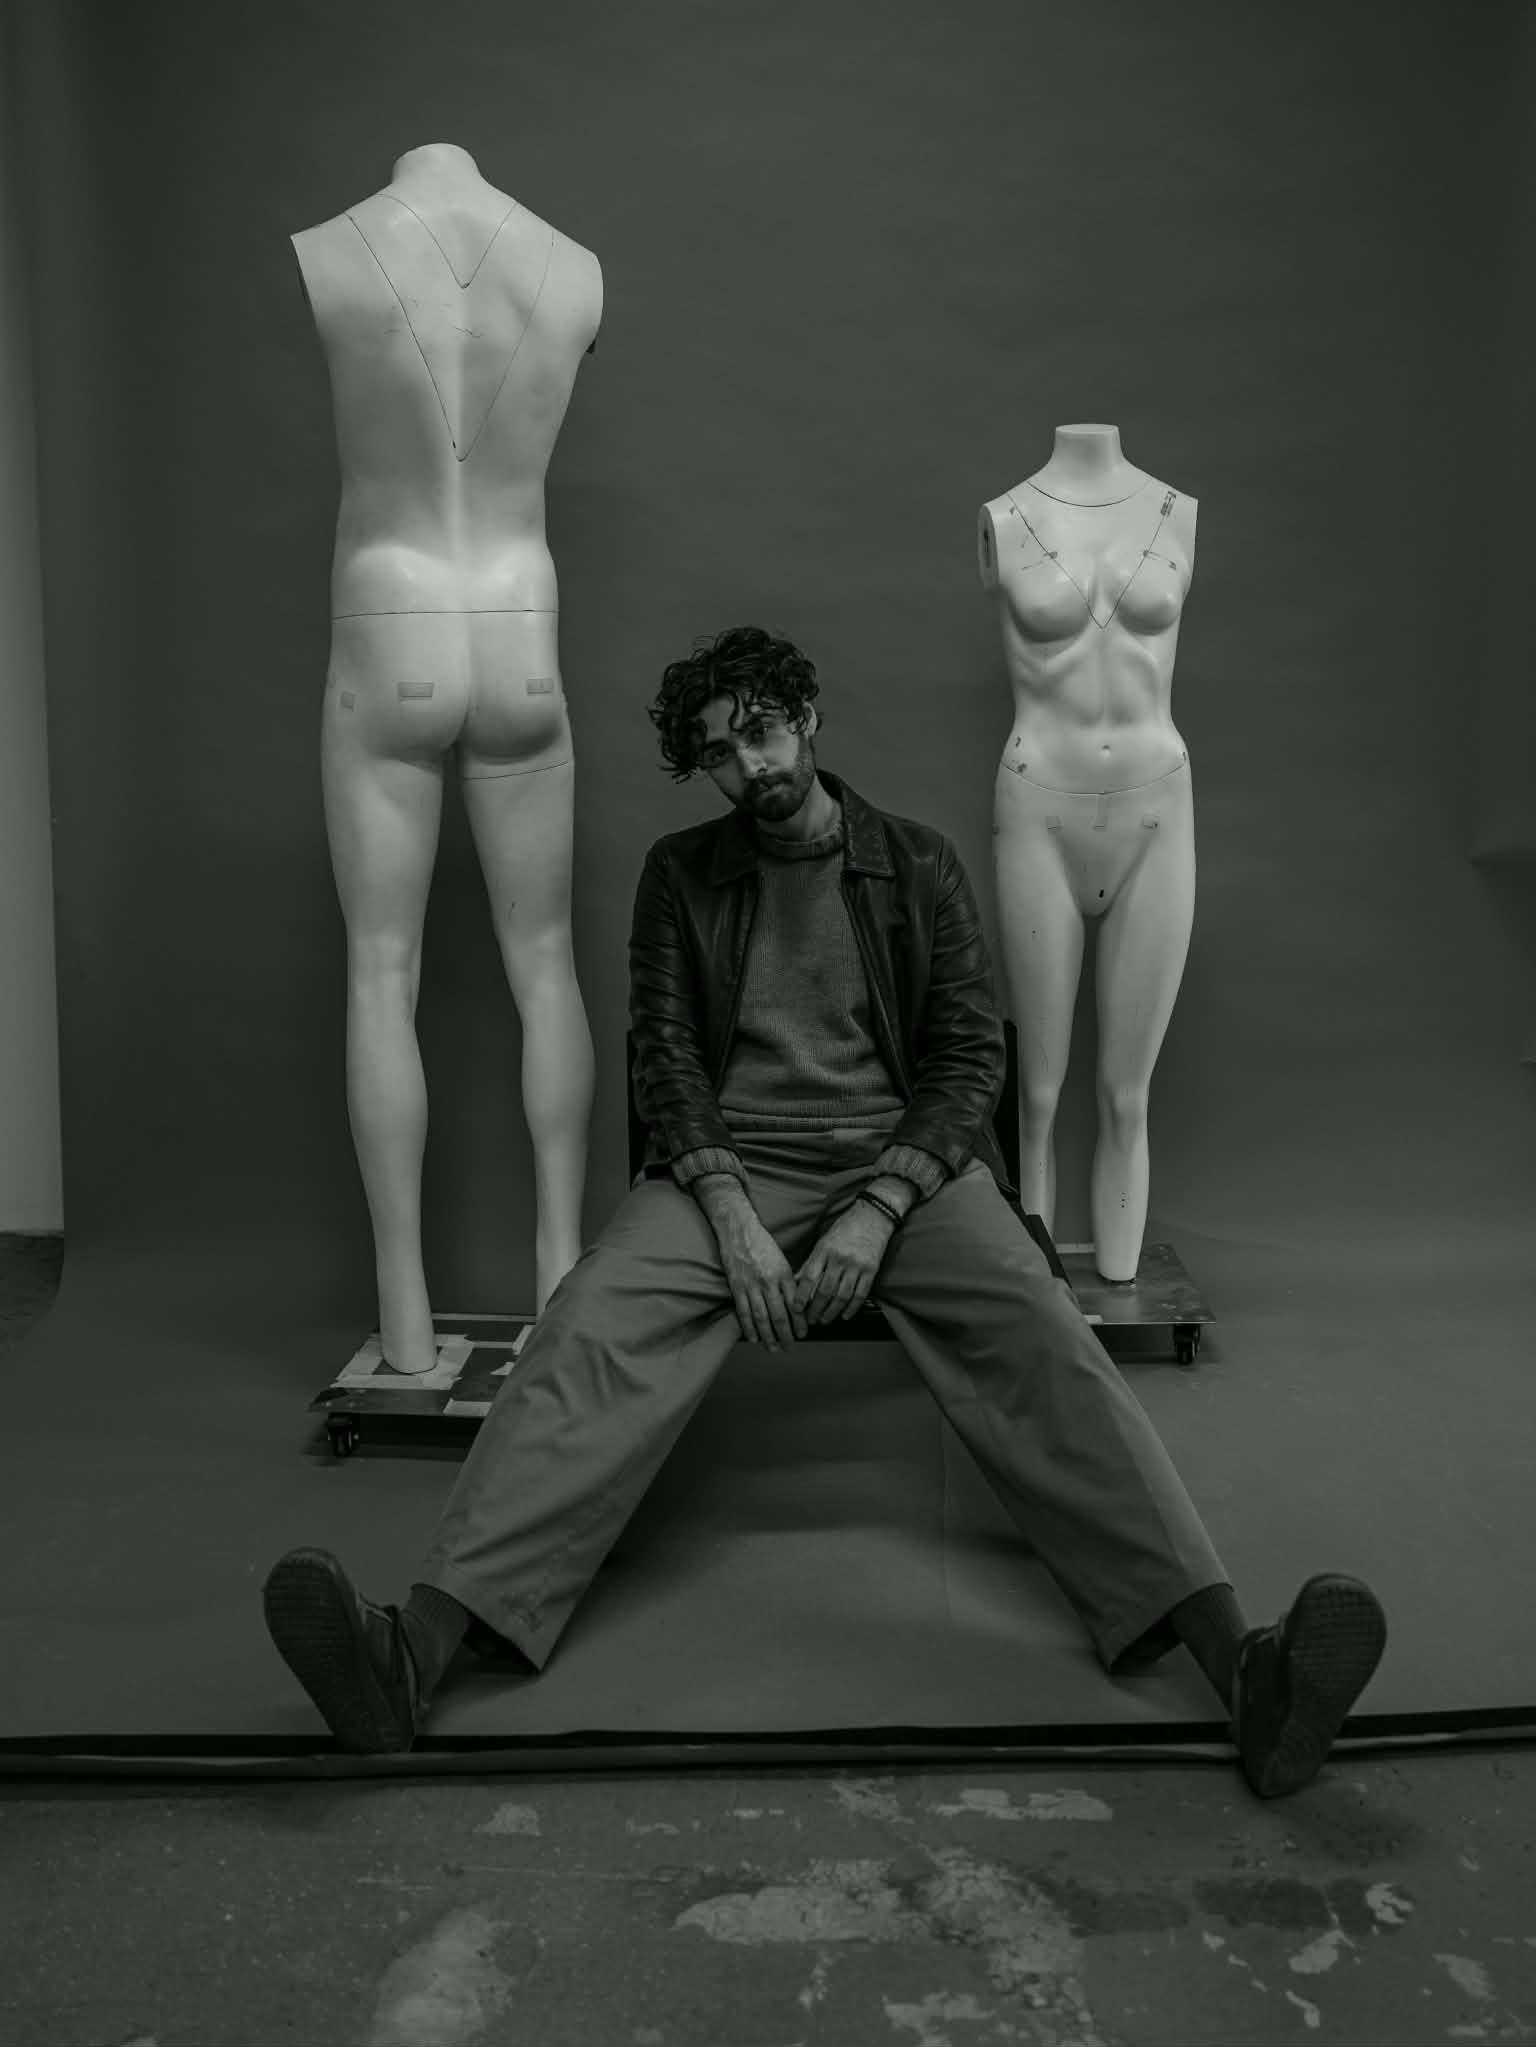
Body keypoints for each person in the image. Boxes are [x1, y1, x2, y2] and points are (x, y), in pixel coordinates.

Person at [264, 625, 1386, 1797]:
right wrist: (731, 1214)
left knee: (1047, 1336)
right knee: (584, 1328)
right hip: (728, 1167)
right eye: (718, 752)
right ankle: (406, 1662)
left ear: (806, 719)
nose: (748, 764)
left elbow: (967, 1059)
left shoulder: (919, 863)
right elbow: (666, 1062)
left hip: (905, 1166)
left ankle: (1246, 1670)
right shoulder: (681, 875)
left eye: (760, 731)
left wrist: (881, 1205)